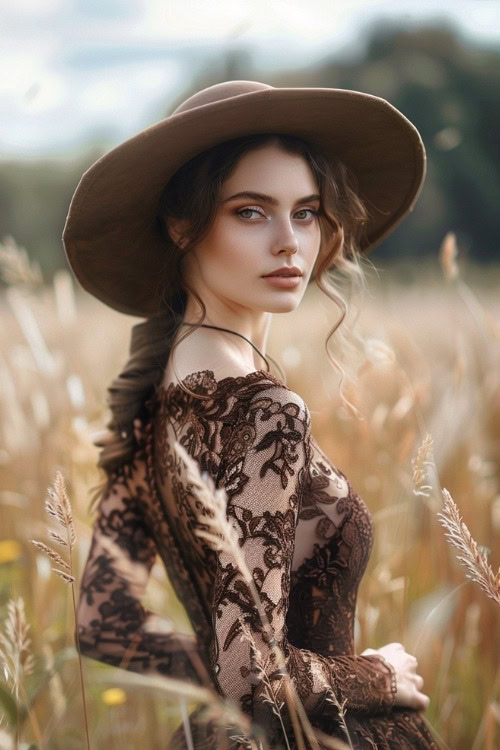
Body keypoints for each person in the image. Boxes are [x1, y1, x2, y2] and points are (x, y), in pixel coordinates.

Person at [63, 80, 439, 749]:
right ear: (182, 225)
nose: (290, 242)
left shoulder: (155, 404)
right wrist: (374, 677)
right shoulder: (267, 412)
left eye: (307, 212)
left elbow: (105, 625)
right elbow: (255, 676)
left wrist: (219, 664)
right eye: (250, 212)